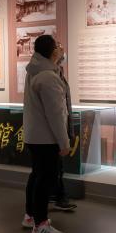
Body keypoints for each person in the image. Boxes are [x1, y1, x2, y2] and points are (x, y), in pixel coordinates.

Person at [22, 35, 70, 233]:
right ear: (52, 51)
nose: (60, 50)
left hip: (35, 135)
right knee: (45, 179)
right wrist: (64, 142)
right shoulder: (48, 77)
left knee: (37, 176)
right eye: (57, 47)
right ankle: (40, 225)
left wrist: (57, 62)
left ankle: (31, 216)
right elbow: (56, 114)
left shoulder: (34, 70)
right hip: (46, 138)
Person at [49, 53, 77, 211]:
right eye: (58, 50)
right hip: (53, 131)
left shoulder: (58, 73)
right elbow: (55, 110)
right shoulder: (49, 76)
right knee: (53, 167)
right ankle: (57, 198)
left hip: (61, 126)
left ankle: (57, 196)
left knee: (57, 167)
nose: (62, 53)